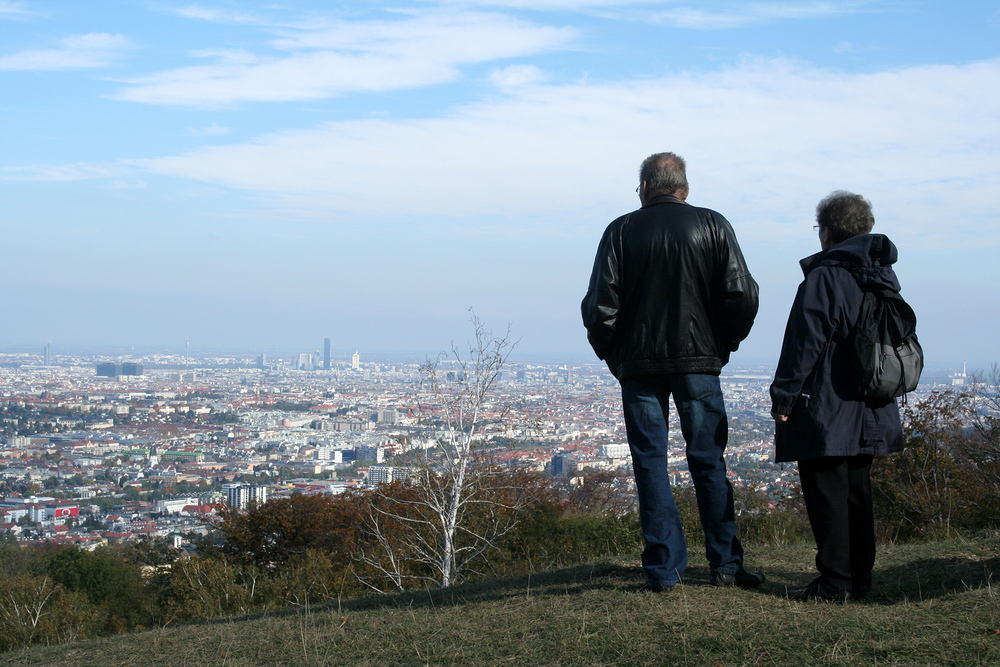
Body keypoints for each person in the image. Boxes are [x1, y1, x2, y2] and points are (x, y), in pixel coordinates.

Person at [582, 152, 761, 591]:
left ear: (645, 187)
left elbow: (600, 307)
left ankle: (664, 570)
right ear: (684, 187)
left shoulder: (621, 231)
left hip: (639, 366)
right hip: (699, 362)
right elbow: (742, 296)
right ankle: (725, 565)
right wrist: (721, 346)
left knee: (650, 463)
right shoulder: (713, 224)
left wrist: (615, 356)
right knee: (708, 461)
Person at [770, 191, 905, 601]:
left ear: (827, 231)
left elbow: (803, 344)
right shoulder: (882, 274)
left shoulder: (826, 276)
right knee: (856, 495)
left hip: (829, 405)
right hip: (872, 403)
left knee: (827, 497)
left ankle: (834, 585)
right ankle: (858, 579)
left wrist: (784, 397)